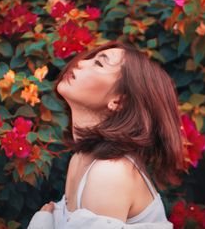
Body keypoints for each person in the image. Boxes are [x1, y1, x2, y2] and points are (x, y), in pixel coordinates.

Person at [28, 41, 184, 229]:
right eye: (90, 58)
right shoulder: (81, 158)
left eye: (99, 63)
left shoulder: (108, 173)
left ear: (118, 101)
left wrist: (42, 224)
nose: (80, 62)